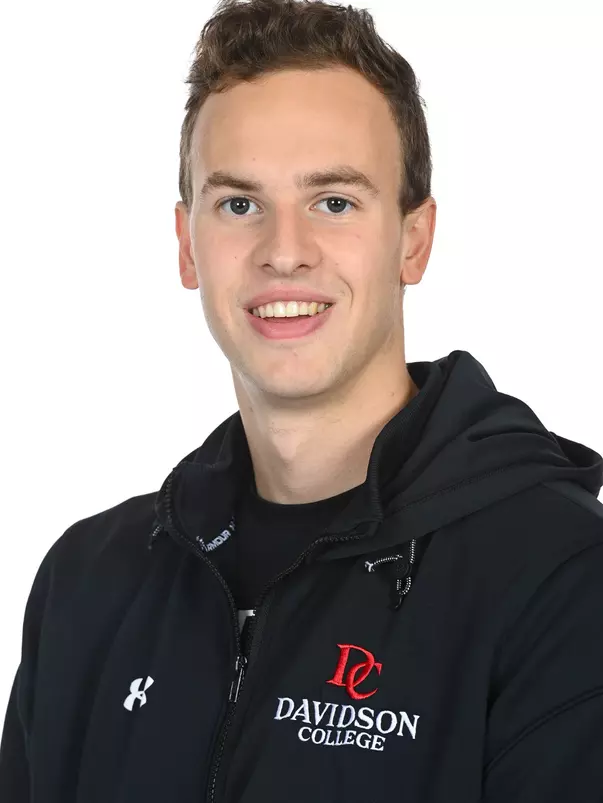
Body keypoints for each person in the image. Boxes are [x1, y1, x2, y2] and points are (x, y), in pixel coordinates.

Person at [2, 0, 603, 800]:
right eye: (239, 204)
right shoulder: (89, 580)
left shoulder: (563, 583)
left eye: (334, 201)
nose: (284, 251)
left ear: (412, 239)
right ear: (188, 245)